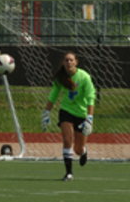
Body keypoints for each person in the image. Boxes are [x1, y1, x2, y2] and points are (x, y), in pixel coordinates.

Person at [41, 51, 96, 181]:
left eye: (71, 60)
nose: (69, 62)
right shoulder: (61, 77)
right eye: (66, 60)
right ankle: (69, 173)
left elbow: (91, 97)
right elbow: (53, 95)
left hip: (81, 114)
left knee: (78, 149)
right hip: (66, 111)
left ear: (76, 62)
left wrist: (89, 118)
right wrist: (46, 112)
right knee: (67, 140)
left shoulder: (84, 77)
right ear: (63, 63)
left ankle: (83, 151)